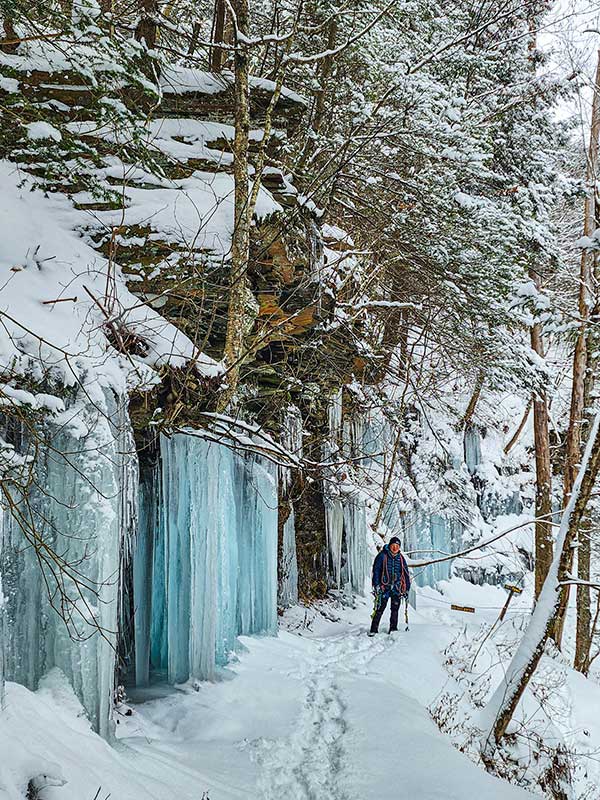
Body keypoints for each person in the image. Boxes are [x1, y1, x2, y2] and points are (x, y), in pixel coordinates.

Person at [368, 536, 410, 635]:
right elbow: (376, 570)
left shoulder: (401, 558)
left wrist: (407, 589)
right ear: (390, 545)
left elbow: (406, 574)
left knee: (395, 610)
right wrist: (376, 585)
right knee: (379, 609)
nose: (395, 548)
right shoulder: (382, 556)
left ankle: (393, 629)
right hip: (384, 588)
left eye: (397, 546)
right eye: (393, 545)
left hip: (396, 588)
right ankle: (373, 629)